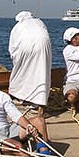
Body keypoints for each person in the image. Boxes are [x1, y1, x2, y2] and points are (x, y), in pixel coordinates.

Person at [6, 11, 52, 142]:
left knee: (20, 73)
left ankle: (20, 97)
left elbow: (12, 48)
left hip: (26, 48)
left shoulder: (18, 27)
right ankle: (39, 105)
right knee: (42, 74)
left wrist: (16, 60)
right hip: (44, 47)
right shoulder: (39, 22)